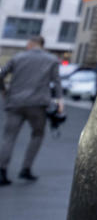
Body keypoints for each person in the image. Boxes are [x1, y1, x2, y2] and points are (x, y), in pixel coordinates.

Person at [0, 36, 63, 185]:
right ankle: (26, 168)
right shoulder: (52, 60)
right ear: (42, 45)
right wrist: (60, 101)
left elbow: (1, 74)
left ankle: (2, 170)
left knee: (9, 137)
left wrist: (4, 91)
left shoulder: (18, 57)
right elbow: (57, 82)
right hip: (38, 104)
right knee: (37, 135)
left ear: (30, 44)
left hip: (15, 102)